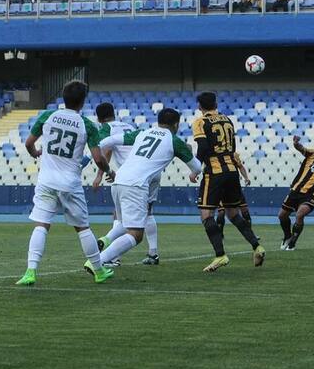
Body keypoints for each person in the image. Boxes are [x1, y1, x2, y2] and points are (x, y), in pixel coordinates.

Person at [15, 80, 116, 286]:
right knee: (83, 228)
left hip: (46, 181)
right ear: (83, 102)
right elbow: (98, 158)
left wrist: (36, 153)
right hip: (70, 183)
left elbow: (28, 143)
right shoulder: (87, 124)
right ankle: (98, 271)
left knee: (41, 225)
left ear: (63, 97)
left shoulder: (47, 116)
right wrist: (109, 171)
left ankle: (30, 271)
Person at [98, 109, 202, 267]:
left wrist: (96, 152)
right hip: (138, 183)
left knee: (123, 222)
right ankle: (100, 260)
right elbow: (197, 166)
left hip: (119, 179)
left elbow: (108, 142)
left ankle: (107, 244)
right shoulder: (174, 141)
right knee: (138, 229)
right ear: (176, 124)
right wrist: (193, 173)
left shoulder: (142, 132)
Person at [193, 91, 265, 272]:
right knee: (234, 214)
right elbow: (233, 148)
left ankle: (220, 255)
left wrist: (195, 169)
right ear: (215, 103)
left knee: (206, 215)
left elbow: (202, 147)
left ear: (199, 106)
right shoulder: (227, 120)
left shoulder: (200, 122)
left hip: (214, 173)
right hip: (232, 171)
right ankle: (257, 246)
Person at [91, 103, 149, 266]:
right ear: (113, 113)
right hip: (141, 175)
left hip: (130, 179)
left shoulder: (107, 129)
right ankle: (114, 254)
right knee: (121, 217)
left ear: (98, 118)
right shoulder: (129, 126)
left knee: (129, 222)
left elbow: (106, 151)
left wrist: (101, 174)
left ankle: (109, 250)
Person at [215, 152, 252, 234]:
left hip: (234, 188)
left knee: (245, 211)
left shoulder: (233, 155)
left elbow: (240, 167)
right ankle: (219, 235)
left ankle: (250, 233)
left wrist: (246, 178)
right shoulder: (212, 156)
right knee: (221, 212)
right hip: (220, 189)